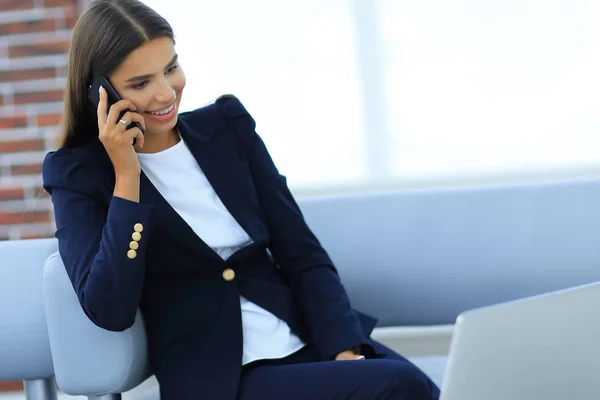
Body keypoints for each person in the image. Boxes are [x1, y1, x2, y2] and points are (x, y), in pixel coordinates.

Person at [42, 0, 441, 399]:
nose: (166, 93)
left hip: (308, 341)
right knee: (399, 386)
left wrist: (343, 348)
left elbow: (302, 253)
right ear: (101, 94)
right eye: (141, 83)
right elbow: (109, 308)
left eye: (170, 69)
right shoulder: (78, 174)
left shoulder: (227, 127)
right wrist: (127, 175)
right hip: (220, 378)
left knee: (430, 386)